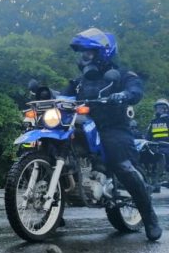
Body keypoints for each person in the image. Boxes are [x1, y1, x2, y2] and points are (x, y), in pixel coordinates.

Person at [64, 27, 162, 241]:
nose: (84, 57)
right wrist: (46, 94)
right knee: (62, 151)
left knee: (122, 165)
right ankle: (52, 214)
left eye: (88, 52)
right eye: (82, 53)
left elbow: (136, 90)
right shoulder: (79, 81)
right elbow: (64, 96)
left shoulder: (123, 75)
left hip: (114, 128)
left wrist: (125, 94)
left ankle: (149, 217)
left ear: (103, 52)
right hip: (84, 126)